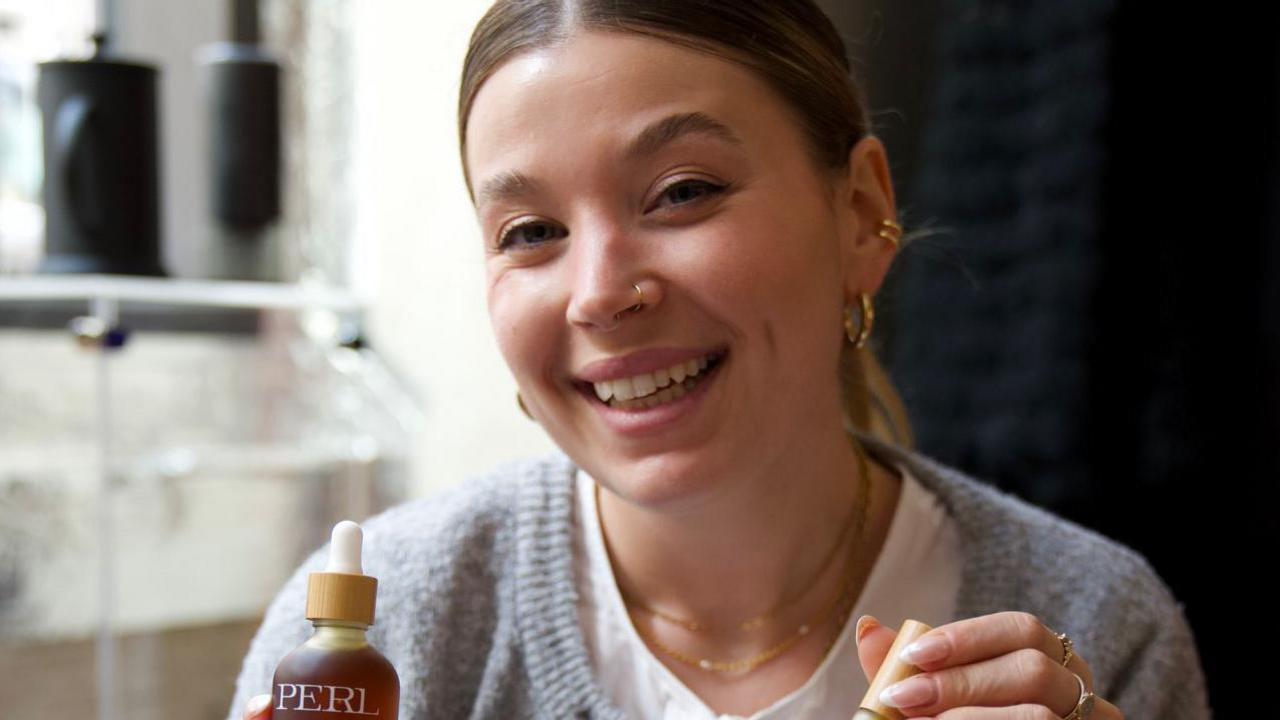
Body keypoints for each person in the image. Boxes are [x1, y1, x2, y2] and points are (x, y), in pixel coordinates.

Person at [230, 1, 1211, 718]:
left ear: (863, 211)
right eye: (530, 230)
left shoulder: (1095, 626)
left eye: (682, 191)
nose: (598, 291)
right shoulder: (381, 635)